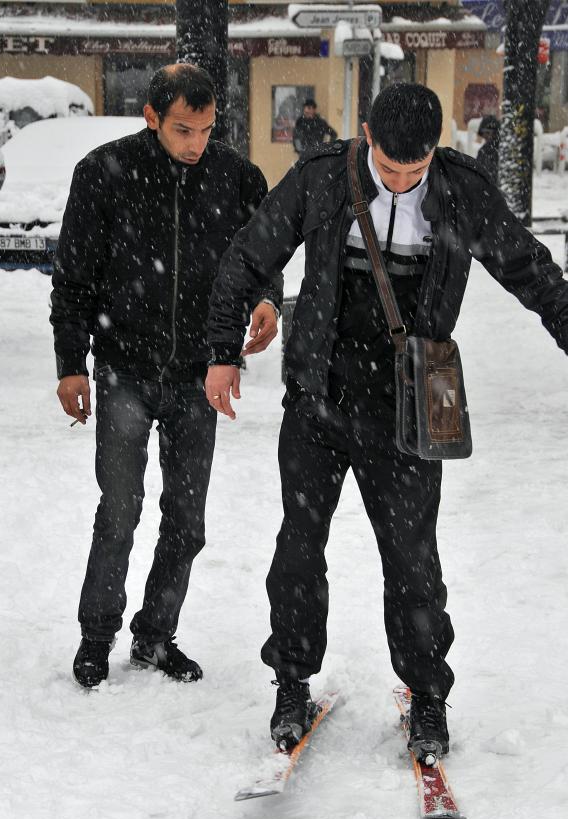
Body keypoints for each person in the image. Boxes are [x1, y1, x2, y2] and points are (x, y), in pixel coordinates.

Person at [205, 83, 568, 761]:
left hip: (411, 404)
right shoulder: (322, 178)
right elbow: (249, 256)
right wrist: (222, 352)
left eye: (415, 169)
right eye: (390, 168)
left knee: (412, 560)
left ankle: (427, 695)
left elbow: (532, 271)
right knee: (299, 548)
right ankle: (291, 682)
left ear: (435, 150)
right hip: (319, 394)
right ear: (367, 135)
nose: (402, 181)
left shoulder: (461, 192)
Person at [51, 64, 281, 688]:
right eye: (183, 129)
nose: (196, 143)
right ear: (151, 117)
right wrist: (71, 364)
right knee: (119, 512)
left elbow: (262, 255)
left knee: (186, 520)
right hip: (123, 368)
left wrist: (267, 298)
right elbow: (73, 278)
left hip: (199, 374)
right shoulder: (103, 172)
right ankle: (96, 636)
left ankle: (155, 635)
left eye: (206, 129)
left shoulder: (237, 176)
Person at [476, 114, 500, 184]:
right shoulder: (484, 150)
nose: (485, 136)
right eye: (484, 133)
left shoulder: (488, 150)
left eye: (487, 132)